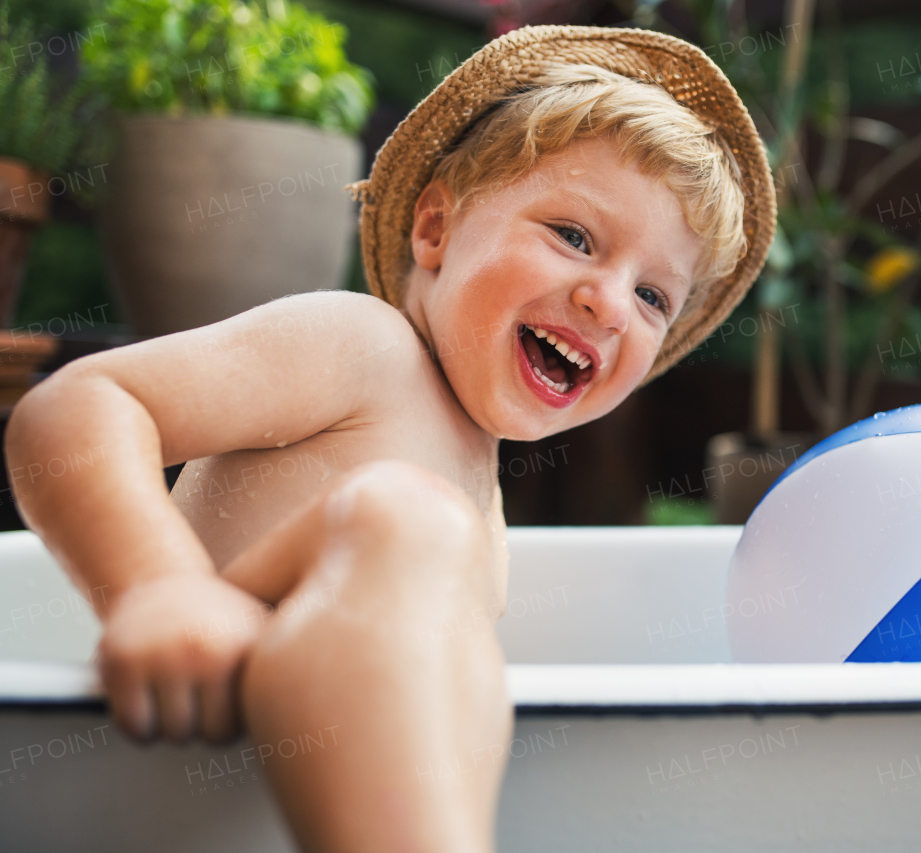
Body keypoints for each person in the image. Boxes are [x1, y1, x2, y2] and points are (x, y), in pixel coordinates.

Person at [5, 24, 775, 853]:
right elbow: (80, 404)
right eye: (574, 237)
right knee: (404, 519)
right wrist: (157, 587)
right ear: (435, 229)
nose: (611, 302)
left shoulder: (482, 499)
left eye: (655, 296)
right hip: (180, 776)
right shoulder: (363, 346)